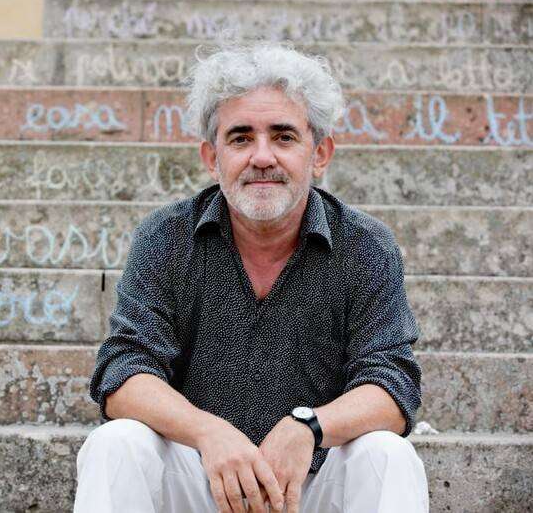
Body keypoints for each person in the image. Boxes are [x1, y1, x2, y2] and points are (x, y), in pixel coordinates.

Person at [74, 43, 428, 513]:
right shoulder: (166, 237)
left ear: (319, 153)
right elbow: (123, 373)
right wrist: (208, 432)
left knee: (388, 455)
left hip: (311, 486)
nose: (262, 157)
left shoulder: (365, 246)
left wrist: (310, 428)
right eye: (241, 138)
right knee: (115, 443)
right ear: (211, 157)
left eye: (283, 137)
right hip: (201, 481)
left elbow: (393, 385)